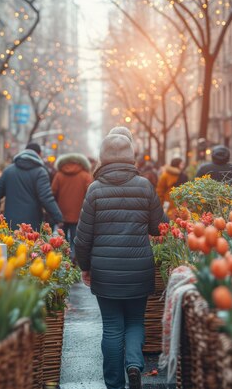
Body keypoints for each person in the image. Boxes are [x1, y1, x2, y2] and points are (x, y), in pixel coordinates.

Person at [75, 133, 166, 389]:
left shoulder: (95, 190)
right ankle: (135, 365)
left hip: (105, 271)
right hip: (139, 267)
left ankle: (114, 384)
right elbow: (160, 227)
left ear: (103, 157)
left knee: (112, 326)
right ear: (131, 156)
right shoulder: (144, 185)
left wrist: (85, 267)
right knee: (135, 321)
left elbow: (83, 238)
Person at [0, 143, 63, 230]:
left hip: (10, 224)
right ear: (39, 154)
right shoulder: (40, 172)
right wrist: (59, 219)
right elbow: (46, 198)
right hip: (32, 226)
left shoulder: (9, 171)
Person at [52, 153, 93, 261]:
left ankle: (63, 259)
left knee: (62, 239)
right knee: (76, 239)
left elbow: (53, 192)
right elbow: (90, 194)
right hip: (79, 214)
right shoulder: (85, 175)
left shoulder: (59, 175)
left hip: (62, 214)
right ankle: (74, 259)